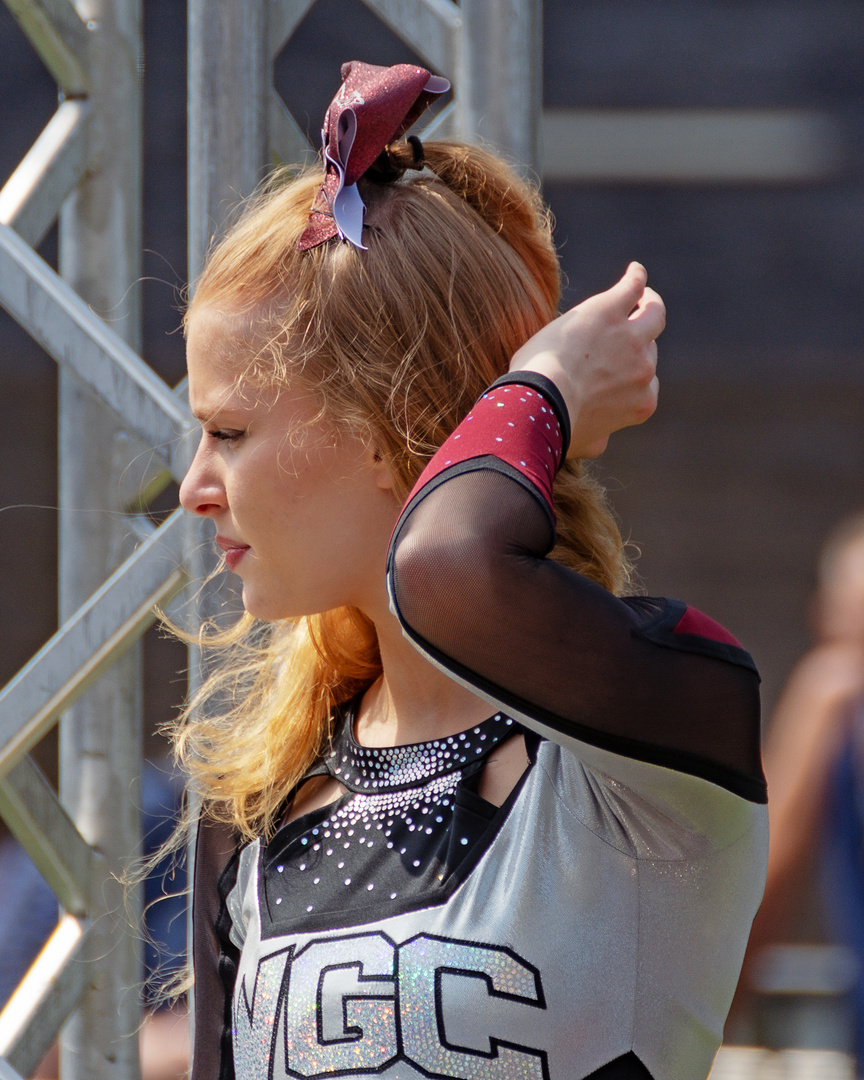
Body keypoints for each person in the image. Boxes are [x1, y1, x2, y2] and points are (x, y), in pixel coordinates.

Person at [175, 61, 768, 1080]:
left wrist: (542, 386)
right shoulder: (260, 802)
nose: (194, 487)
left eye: (230, 431)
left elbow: (446, 568)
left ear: (381, 429)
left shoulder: (656, 732)